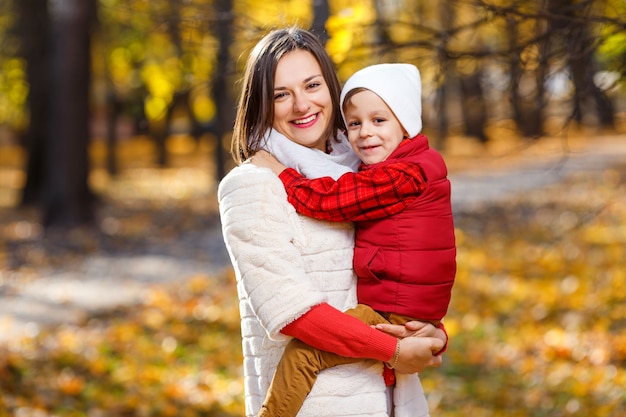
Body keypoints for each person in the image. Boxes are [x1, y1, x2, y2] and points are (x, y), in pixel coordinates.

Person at [217, 27, 447, 417]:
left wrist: (428, 332)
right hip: (319, 403)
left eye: (312, 85)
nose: (302, 104)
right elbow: (293, 313)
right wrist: (394, 349)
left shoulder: (363, 169)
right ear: (261, 104)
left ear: (331, 88)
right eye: (281, 94)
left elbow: (405, 268)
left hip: (393, 397)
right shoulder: (253, 184)